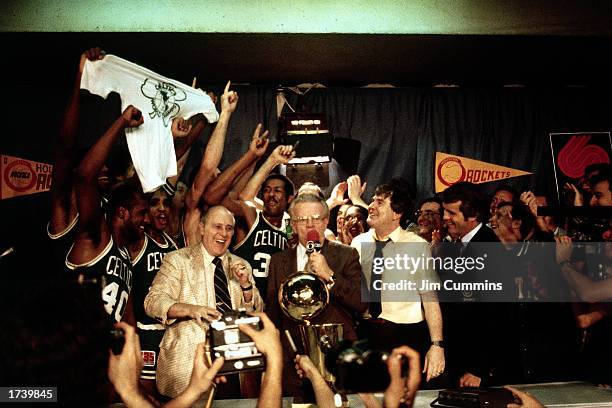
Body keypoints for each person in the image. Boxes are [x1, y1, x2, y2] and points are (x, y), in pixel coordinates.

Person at [144, 205, 263, 399]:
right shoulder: (177, 260)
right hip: (187, 368)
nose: (223, 234)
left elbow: (257, 313)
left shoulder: (242, 265)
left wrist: (246, 285)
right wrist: (190, 309)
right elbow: (153, 301)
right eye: (217, 226)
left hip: (235, 369)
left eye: (229, 228)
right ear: (201, 228)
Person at [266, 193, 367, 396]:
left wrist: (329, 275)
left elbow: (361, 303)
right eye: (302, 219)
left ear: (325, 221)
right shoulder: (278, 261)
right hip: (293, 362)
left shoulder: (347, 254)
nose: (310, 224)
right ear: (293, 224)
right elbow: (273, 315)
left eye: (316, 218)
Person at [351, 178, 445, 385]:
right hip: (366, 335)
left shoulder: (417, 246)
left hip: (404, 337)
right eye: (373, 201)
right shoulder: (358, 243)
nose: (371, 207)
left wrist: (437, 345)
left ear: (397, 213)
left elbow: (430, 299)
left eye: (379, 202)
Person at [66, 105, 147, 325]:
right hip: (76, 347)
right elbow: (84, 177)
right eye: (141, 214)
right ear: (122, 212)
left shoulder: (125, 256)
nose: (146, 221)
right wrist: (121, 121)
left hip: (105, 352)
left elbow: (127, 317)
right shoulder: (96, 236)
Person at [130, 187, 179, 391]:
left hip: (170, 331)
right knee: (146, 396)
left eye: (166, 204)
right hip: (145, 331)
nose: (162, 209)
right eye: (154, 203)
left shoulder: (173, 245)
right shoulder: (138, 242)